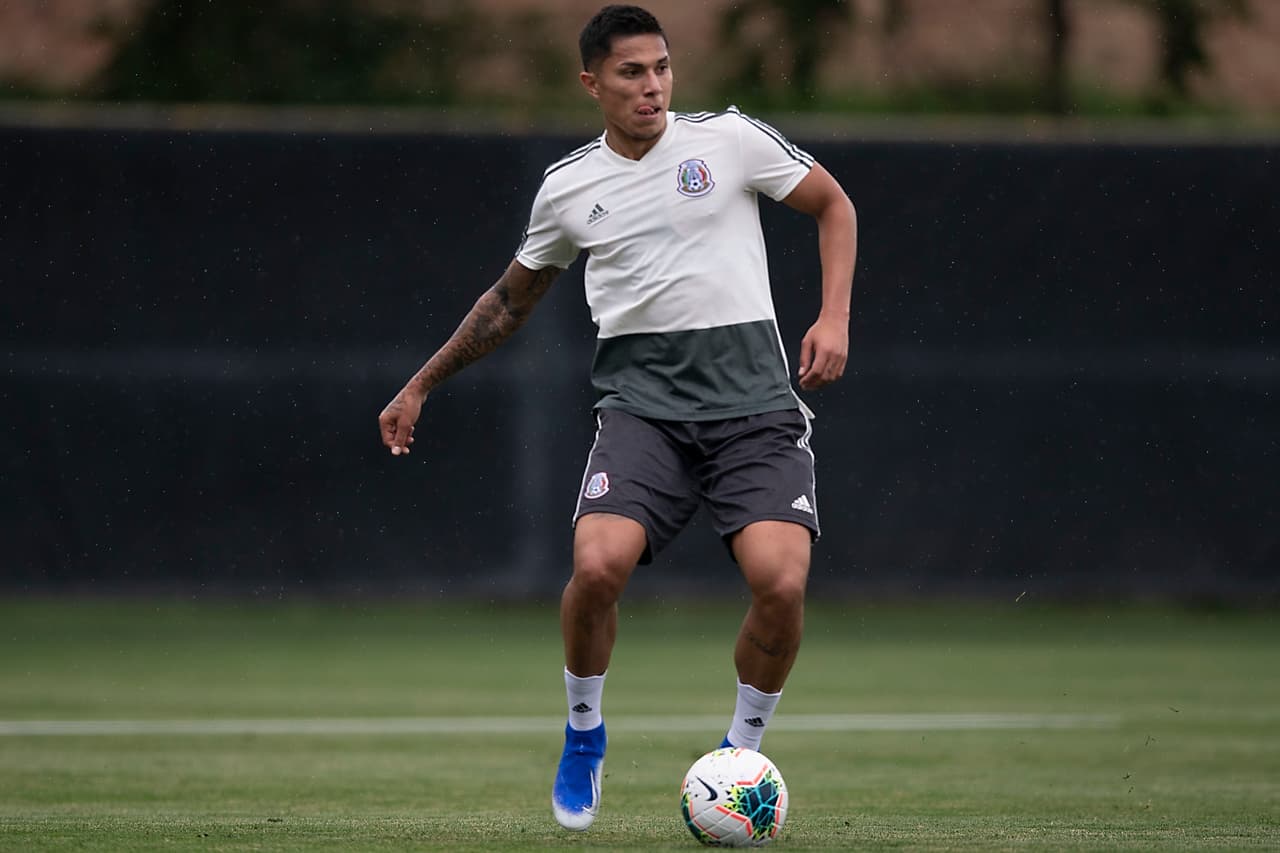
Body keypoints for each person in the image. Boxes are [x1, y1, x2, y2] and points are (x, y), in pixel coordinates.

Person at [378, 3, 856, 832]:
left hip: (754, 413)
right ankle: (585, 732)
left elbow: (835, 206)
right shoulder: (568, 188)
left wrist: (835, 316)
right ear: (592, 83)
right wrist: (420, 383)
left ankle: (738, 755)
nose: (653, 87)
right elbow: (506, 303)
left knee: (780, 584)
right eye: (633, 73)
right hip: (644, 414)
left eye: (662, 68)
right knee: (597, 568)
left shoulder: (729, 140)